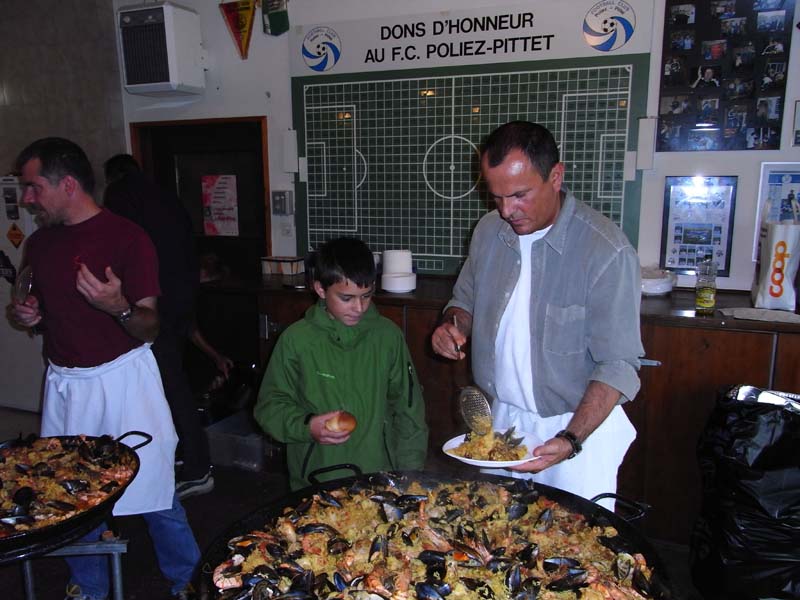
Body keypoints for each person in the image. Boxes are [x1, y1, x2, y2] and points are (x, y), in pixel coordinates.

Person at [9, 138, 199, 600]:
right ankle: (90, 586)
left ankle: (189, 580)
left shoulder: (128, 238)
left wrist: (118, 307)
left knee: (155, 488)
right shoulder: (39, 243)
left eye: (34, 187)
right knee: (69, 495)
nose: (27, 198)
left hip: (124, 379)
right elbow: (32, 304)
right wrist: (27, 316)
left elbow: (150, 326)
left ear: (68, 184)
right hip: (66, 384)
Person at [431, 122, 644, 507]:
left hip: (575, 427)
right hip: (502, 420)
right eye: (496, 196)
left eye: (519, 195)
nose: (506, 210)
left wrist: (571, 439)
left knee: (572, 535)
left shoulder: (606, 251)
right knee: (497, 530)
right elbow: (464, 300)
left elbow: (617, 365)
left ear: (556, 177)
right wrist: (453, 325)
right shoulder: (488, 232)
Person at [254, 237, 428, 490]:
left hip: (378, 475)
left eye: (366, 296)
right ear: (320, 289)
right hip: (316, 478)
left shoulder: (388, 337)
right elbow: (269, 407)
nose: (359, 308)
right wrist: (307, 426)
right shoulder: (296, 340)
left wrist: (410, 476)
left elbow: (409, 411)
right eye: (346, 298)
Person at [103, 154, 213, 499]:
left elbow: (119, 253)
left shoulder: (121, 196)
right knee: (173, 383)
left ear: (111, 176)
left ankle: (195, 467)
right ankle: (184, 457)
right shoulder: (165, 196)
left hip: (152, 306)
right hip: (182, 298)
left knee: (165, 388)